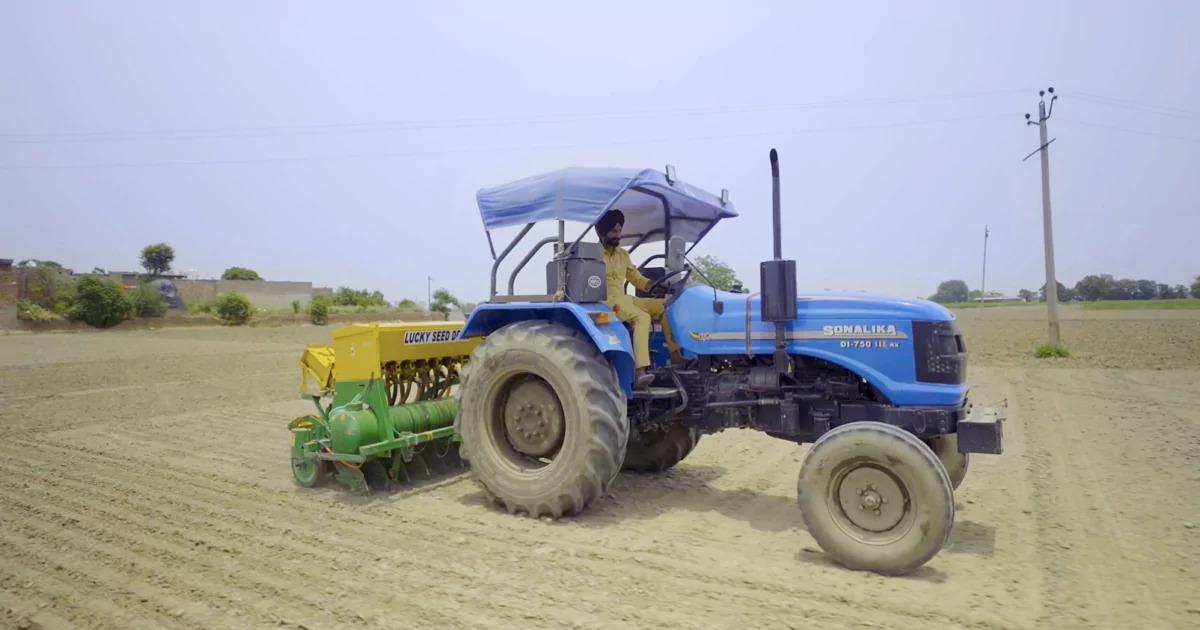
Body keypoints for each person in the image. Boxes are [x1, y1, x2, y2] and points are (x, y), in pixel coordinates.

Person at [594, 209, 683, 390]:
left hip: (625, 299)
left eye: (619, 231)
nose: (617, 235)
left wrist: (656, 285)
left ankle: (676, 355)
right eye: (613, 232)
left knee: (667, 306)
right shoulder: (593, 254)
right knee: (642, 317)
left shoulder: (623, 255)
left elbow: (636, 278)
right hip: (607, 302)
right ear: (602, 232)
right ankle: (640, 370)